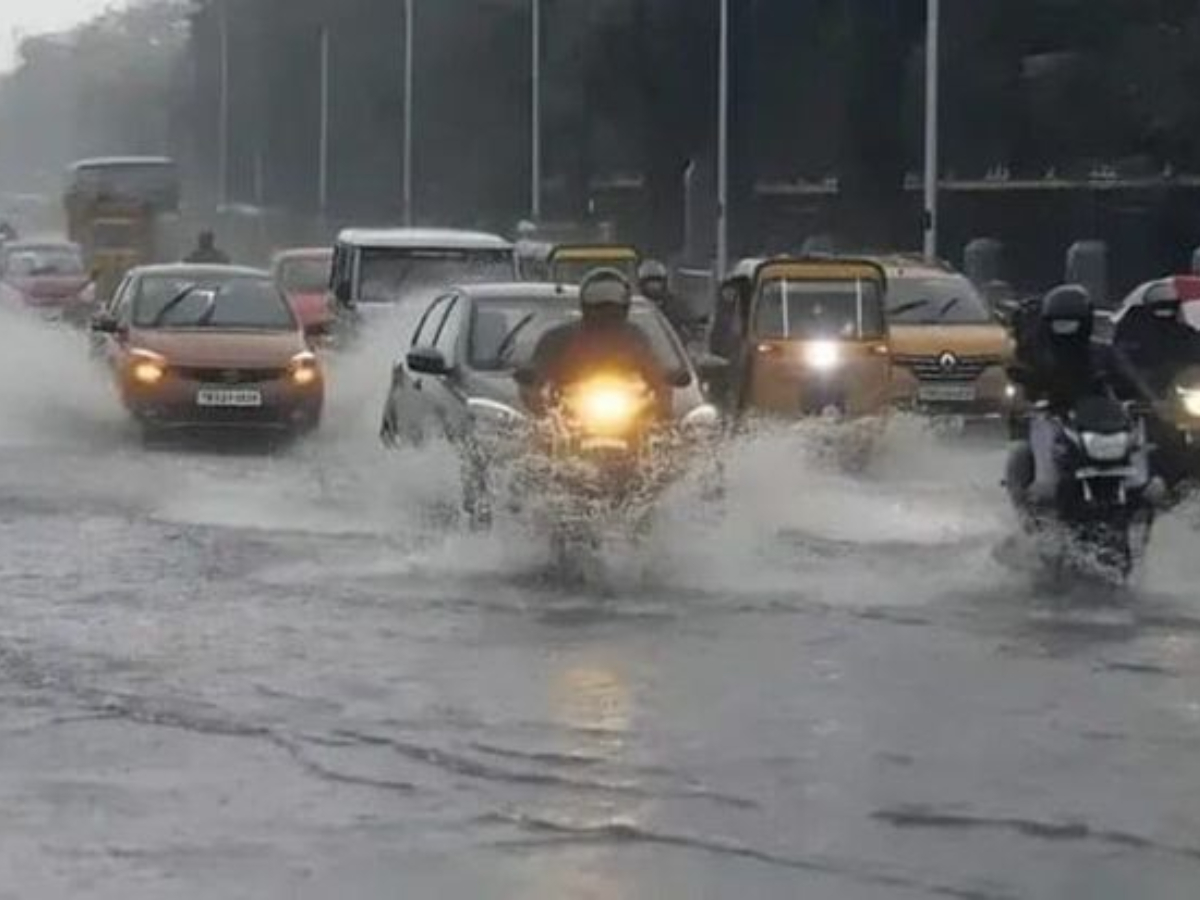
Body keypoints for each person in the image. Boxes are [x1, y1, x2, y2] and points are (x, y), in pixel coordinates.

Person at [1007, 284, 1117, 506]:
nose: (1066, 330)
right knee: (1041, 430)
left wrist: (1148, 397)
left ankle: (1139, 481)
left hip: (1095, 418)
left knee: (1135, 435)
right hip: (1054, 413)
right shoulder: (1038, 352)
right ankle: (1040, 485)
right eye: (1060, 324)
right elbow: (1025, 378)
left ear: (1086, 322)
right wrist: (1029, 393)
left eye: (1071, 323)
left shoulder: (1101, 352)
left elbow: (1128, 376)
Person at [520, 268, 670, 416]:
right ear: (585, 305)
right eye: (599, 306)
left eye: (612, 305)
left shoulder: (636, 339)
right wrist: (536, 393)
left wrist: (661, 399)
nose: (606, 311)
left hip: (628, 414)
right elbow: (536, 376)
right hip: (569, 413)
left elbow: (654, 372)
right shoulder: (558, 339)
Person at [636, 259, 693, 338]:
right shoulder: (636, 305)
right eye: (650, 282)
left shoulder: (677, 306)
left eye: (657, 281)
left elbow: (688, 329)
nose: (654, 286)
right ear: (642, 284)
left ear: (664, 283)